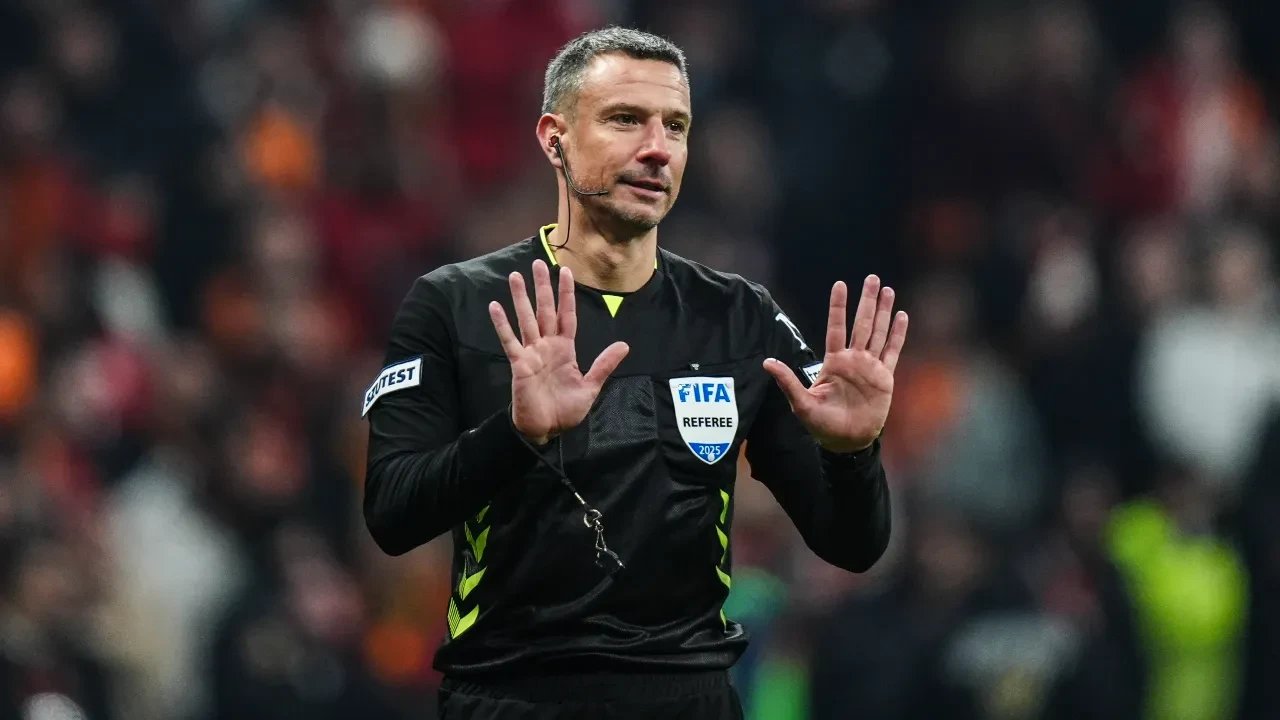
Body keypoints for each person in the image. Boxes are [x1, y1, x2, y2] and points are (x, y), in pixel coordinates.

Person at [362, 26, 909, 720]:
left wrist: (852, 454)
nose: (657, 148)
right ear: (555, 139)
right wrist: (517, 435)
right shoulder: (459, 305)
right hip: (516, 696)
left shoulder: (740, 318)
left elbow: (853, 546)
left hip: (690, 699)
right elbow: (392, 514)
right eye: (625, 119)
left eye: (675, 126)